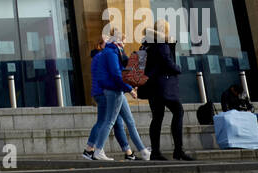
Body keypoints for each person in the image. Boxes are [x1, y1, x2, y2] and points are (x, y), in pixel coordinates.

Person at [83, 31, 151, 161]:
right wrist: (129, 89)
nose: (125, 45)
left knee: (128, 121)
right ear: (118, 41)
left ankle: (142, 151)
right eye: (124, 42)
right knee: (109, 121)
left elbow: (123, 67)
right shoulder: (110, 53)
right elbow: (116, 74)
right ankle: (98, 150)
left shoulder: (113, 52)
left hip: (115, 90)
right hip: (113, 90)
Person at [144, 19, 193, 161]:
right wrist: (178, 68)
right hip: (164, 85)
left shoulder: (147, 44)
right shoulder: (161, 43)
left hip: (152, 86)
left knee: (157, 118)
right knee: (178, 112)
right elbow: (166, 62)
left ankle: (155, 152)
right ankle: (178, 150)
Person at [221, 81, 258, 148]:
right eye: (237, 93)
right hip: (235, 116)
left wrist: (250, 110)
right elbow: (225, 109)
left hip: (246, 114)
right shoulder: (226, 94)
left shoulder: (243, 93)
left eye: (239, 93)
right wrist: (235, 112)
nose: (238, 95)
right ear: (232, 89)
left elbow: (250, 105)